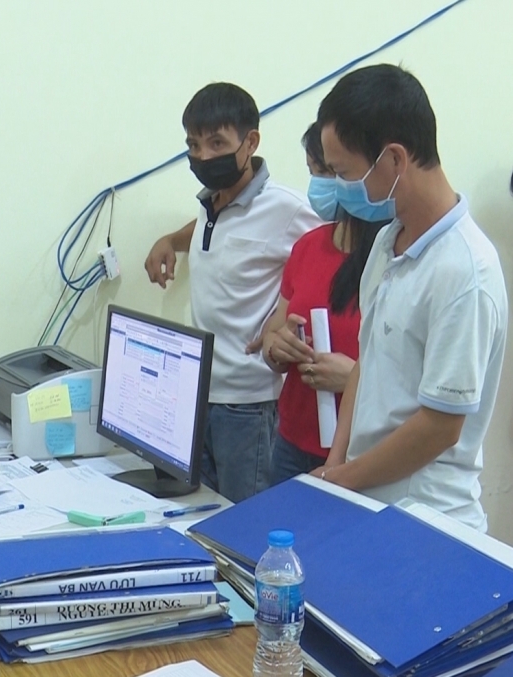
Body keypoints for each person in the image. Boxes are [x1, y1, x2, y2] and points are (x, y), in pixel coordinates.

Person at [312, 64, 507, 531]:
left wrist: (343, 480)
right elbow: (367, 362)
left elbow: (439, 427)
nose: (339, 188)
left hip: (428, 520)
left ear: (394, 160)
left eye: (344, 173)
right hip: (366, 497)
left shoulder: (465, 270)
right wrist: (335, 467)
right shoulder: (387, 241)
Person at [144, 82, 320, 502]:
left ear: (250, 142)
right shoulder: (212, 203)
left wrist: (285, 317)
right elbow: (215, 229)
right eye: (193, 145)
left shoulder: (288, 209)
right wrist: (170, 240)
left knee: (246, 523)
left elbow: (332, 261)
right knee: (201, 512)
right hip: (199, 393)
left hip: (249, 405)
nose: (203, 156)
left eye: (217, 143)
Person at [261, 123, 388, 483]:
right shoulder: (308, 246)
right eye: (313, 171)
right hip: (290, 442)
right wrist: (277, 347)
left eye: (329, 172)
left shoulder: (391, 258)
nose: (319, 185)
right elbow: (274, 331)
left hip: (361, 451)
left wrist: (354, 380)